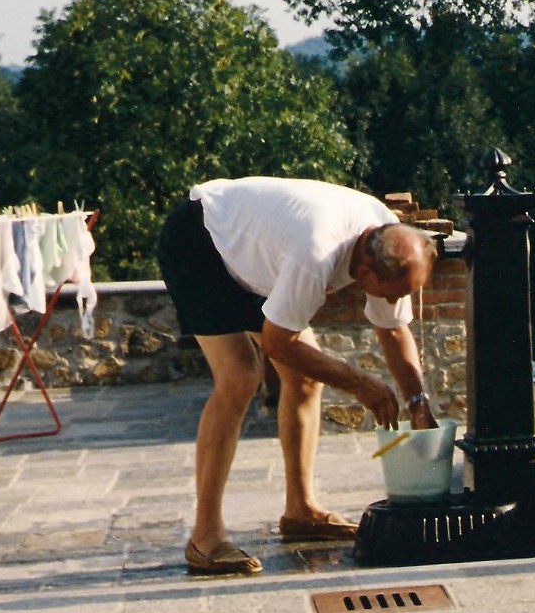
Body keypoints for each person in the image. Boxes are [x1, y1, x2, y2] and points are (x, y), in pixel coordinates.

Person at [155, 176, 439, 575]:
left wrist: (418, 403)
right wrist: (360, 384)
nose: (394, 300)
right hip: (200, 242)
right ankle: (205, 538)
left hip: (257, 260)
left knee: (304, 379)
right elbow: (278, 344)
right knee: (240, 376)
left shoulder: (385, 235)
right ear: (362, 269)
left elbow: (393, 330)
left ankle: (301, 510)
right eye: (391, 292)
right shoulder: (316, 253)